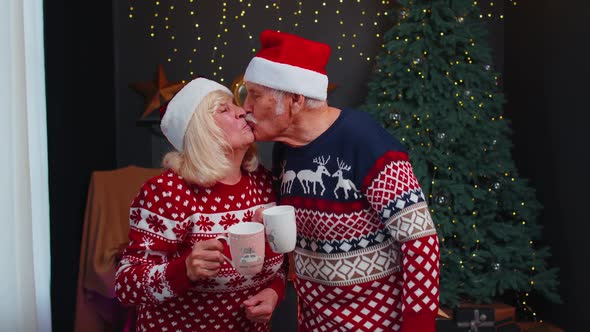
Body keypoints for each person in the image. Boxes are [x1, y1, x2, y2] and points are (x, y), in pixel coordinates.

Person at [243, 30, 440, 332]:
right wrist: (275, 289)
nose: (245, 107)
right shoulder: (285, 150)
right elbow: (286, 241)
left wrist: (418, 328)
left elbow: (420, 241)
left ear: (294, 99)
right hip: (313, 324)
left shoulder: (365, 142)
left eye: (255, 94)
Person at [115, 77, 287, 332]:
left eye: (235, 105)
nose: (242, 111)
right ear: (202, 131)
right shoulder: (167, 192)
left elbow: (281, 261)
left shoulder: (263, 181)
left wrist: (275, 291)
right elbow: (126, 286)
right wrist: (183, 270)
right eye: (224, 109)